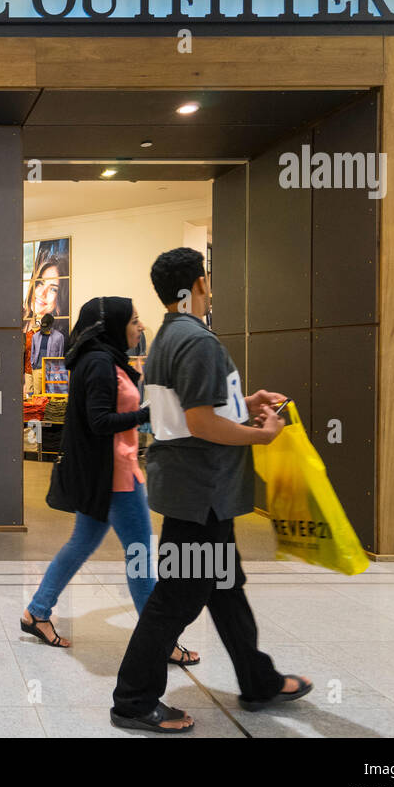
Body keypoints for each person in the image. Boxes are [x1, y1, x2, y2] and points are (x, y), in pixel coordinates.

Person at [111, 248, 311, 733]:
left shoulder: (170, 335)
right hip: (202, 493)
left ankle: (257, 679)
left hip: (196, 490)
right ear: (199, 284)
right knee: (178, 597)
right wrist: (260, 434)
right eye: (207, 279)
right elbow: (200, 422)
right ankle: (133, 701)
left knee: (224, 586)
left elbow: (189, 411)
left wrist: (246, 401)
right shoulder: (197, 341)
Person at [20, 296, 198, 667]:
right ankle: (159, 640)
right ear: (112, 326)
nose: (140, 326)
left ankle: (37, 611)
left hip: (111, 471)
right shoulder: (101, 364)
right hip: (117, 475)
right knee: (139, 556)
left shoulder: (102, 359)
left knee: (81, 544)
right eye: (134, 320)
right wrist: (147, 412)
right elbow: (99, 422)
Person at [24, 250, 68, 334]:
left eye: (53, 289)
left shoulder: (58, 335)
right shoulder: (17, 317)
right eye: (41, 283)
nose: (41, 293)